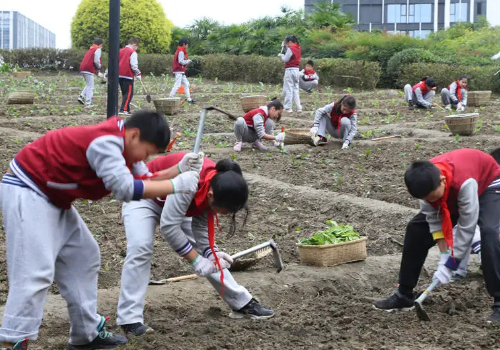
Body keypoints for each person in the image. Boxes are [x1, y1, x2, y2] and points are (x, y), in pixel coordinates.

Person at [0, 111, 201, 350]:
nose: (146, 158)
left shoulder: (125, 145)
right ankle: (12, 340)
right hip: (27, 188)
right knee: (35, 270)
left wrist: (178, 169)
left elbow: (145, 178)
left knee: (84, 256)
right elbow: (125, 189)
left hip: (52, 197)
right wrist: (176, 186)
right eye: (147, 152)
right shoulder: (106, 143)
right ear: (134, 135)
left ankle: (86, 335)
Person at [117, 153, 275, 336]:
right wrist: (197, 261)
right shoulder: (190, 182)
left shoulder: (217, 185)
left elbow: (201, 227)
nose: (221, 215)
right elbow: (169, 227)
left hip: (177, 204)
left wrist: (210, 253)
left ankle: (241, 303)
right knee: (140, 247)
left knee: (211, 257)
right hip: (144, 197)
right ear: (210, 195)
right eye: (221, 211)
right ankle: (130, 319)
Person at [373, 149, 500, 323]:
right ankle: (404, 294)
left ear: (442, 180)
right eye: (427, 199)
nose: (430, 201)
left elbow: (467, 227)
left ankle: (499, 303)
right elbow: (434, 218)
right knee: (415, 230)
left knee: (490, 233)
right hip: (451, 193)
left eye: (432, 197)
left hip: (488, 183)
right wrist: (444, 255)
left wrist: (451, 264)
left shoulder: (464, 182)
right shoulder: (424, 185)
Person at [278, 35, 302, 113]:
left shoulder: (290, 49)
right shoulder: (298, 48)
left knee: (288, 89)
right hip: (296, 70)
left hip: (290, 70)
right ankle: (298, 107)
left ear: (290, 42)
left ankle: (288, 107)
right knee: (295, 89)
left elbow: (286, 59)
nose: (287, 45)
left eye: (287, 43)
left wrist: (281, 55)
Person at [78, 38, 104, 107]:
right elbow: (96, 60)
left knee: (89, 84)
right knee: (91, 86)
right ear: (101, 44)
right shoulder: (98, 49)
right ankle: (88, 103)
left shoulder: (91, 48)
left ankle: (81, 96)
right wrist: (99, 67)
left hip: (83, 67)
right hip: (88, 68)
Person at [119, 38, 141, 115]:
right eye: (136, 47)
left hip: (119, 75)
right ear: (134, 45)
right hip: (127, 75)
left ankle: (126, 109)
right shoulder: (132, 52)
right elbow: (133, 65)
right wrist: (138, 74)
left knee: (124, 92)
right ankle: (123, 109)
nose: (136, 49)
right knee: (128, 93)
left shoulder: (120, 51)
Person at [169, 38, 195, 103]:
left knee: (186, 84)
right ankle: (170, 97)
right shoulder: (181, 51)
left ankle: (189, 99)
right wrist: (188, 61)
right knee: (177, 85)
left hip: (180, 71)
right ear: (183, 44)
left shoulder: (179, 50)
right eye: (187, 44)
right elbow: (181, 61)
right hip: (179, 71)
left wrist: (186, 61)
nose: (187, 45)